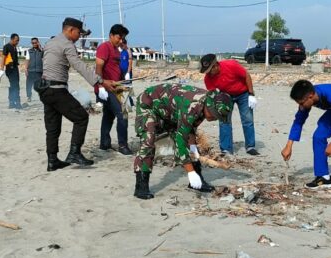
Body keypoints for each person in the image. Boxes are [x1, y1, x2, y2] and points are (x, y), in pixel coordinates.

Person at [39, 17, 118, 171]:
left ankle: (52, 160)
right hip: (57, 89)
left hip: (45, 90)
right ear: (70, 30)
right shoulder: (67, 44)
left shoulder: (51, 42)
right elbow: (79, 66)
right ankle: (74, 153)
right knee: (81, 117)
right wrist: (101, 81)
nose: (79, 37)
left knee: (53, 126)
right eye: (79, 34)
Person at [132, 84, 233, 200]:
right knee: (148, 141)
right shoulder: (192, 107)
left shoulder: (204, 105)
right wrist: (190, 172)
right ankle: (141, 186)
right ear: (209, 107)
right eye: (214, 115)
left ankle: (197, 182)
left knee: (191, 149)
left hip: (171, 111)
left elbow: (190, 130)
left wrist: (193, 147)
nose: (214, 119)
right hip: (149, 103)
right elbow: (181, 140)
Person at [200, 54, 259, 156]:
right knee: (224, 121)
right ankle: (226, 149)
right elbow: (213, 95)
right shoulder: (207, 79)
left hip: (243, 94)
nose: (208, 73)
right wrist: (215, 110)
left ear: (215, 65)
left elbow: (246, 76)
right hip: (225, 96)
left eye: (210, 70)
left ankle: (250, 147)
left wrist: (251, 94)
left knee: (247, 119)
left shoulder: (231, 65)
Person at [95, 24, 132, 155]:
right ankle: (123, 145)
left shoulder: (117, 50)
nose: (121, 40)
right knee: (123, 115)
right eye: (119, 37)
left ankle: (104, 143)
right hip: (107, 87)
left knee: (108, 115)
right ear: (111, 35)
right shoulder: (104, 47)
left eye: (123, 38)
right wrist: (100, 86)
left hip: (117, 86)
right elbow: (98, 67)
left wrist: (125, 79)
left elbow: (116, 68)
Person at [0, 33, 22, 109]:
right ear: (12, 39)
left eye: (18, 40)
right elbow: (3, 58)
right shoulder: (7, 47)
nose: (17, 42)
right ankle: (15, 102)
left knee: (15, 85)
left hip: (15, 68)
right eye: (16, 40)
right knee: (14, 85)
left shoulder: (14, 47)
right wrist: (2, 69)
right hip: (10, 69)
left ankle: (13, 102)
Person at [24, 37, 43, 103]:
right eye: (33, 43)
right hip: (31, 71)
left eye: (35, 42)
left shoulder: (42, 51)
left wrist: (40, 47)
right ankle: (29, 96)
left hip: (39, 71)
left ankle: (41, 96)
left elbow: (45, 57)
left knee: (40, 85)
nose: (34, 44)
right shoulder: (29, 51)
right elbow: (27, 60)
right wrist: (26, 69)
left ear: (38, 42)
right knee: (29, 85)